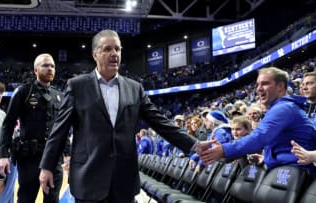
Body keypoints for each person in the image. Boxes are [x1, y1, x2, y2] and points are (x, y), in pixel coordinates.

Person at [39, 29, 200, 203]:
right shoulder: (77, 86)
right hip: (88, 179)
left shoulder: (134, 88)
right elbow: (59, 130)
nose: (114, 54)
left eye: (117, 49)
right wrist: (47, 166)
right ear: (95, 54)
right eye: (107, 49)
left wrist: (195, 145)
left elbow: (160, 122)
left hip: (124, 181)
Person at [198, 67, 316, 178]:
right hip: (289, 172)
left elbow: (259, 138)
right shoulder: (282, 107)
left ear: (280, 86)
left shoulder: (284, 108)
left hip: (298, 177)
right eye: (257, 85)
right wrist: (266, 158)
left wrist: (224, 150)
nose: (259, 89)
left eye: (265, 83)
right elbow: (283, 147)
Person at [0, 53, 68, 203]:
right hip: (29, 158)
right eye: (45, 65)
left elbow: (62, 128)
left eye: (53, 66)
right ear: (36, 70)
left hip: (53, 158)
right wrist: (3, 155)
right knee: (26, 198)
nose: (50, 69)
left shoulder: (59, 96)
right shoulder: (24, 92)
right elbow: (8, 124)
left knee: (52, 199)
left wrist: (68, 154)